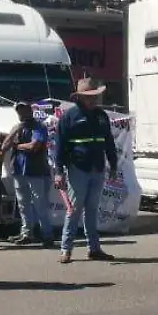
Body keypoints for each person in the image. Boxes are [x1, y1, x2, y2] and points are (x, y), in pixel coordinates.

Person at [53, 78, 118, 263]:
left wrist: (113, 165)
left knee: (91, 210)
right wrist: (59, 171)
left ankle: (94, 249)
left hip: (98, 168)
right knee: (74, 210)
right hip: (78, 169)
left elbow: (109, 143)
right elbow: (60, 146)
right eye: (89, 96)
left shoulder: (101, 116)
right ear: (80, 97)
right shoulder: (69, 117)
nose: (94, 99)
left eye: (95, 96)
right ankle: (66, 249)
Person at [3, 100, 55, 247]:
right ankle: (27, 233)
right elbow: (4, 146)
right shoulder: (16, 127)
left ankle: (47, 235)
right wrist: (14, 132)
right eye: (18, 110)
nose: (21, 113)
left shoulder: (39, 127)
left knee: (40, 203)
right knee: (23, 204)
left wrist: (17, 145)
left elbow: (35, 146)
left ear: (30, 110)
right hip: (19, 170)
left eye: (24, 109)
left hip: (36, 171)